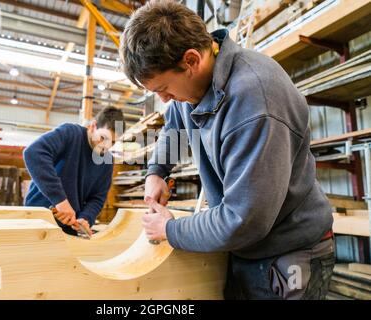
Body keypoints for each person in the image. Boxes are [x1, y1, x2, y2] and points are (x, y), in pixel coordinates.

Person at [120, 0, 335, 299]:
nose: (166, 100)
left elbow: (242, 219)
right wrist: (157, 170)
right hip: (245, 248)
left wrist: (171, 230)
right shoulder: (190, 89)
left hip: (288, 251)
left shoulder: (255, 101)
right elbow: (174, 125)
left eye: (163, 89)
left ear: (192, 60)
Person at [23, 106, 124, 236]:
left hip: (69, 228)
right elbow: (33, 153)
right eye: (103, 138)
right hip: (37, 218)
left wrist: (86, 218)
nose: (107, 146)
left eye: (113, 142)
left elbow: (97, 197)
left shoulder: (107, 160)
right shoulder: (71, 133)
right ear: (93, 126)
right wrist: (60, 201)